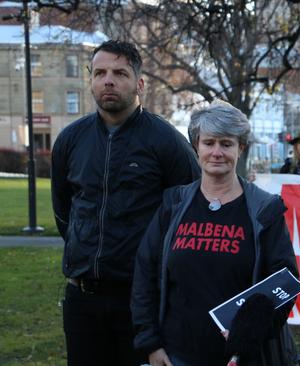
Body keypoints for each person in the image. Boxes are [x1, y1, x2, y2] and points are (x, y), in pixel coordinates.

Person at [50, 40, 200, 366]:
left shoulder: (166, 142)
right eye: (100, 72)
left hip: (139, 300)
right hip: (82, 298)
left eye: (119, 73)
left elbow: (190, 211)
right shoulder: (70, 140)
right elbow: (64, 211)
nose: (108, 80)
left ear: (139, 84)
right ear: (90, 79)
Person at [131, 100, 299, 366]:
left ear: (241, 148)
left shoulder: (264, 211)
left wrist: (252, 333)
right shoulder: (173, 204)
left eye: (227, 143)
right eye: (209, 143)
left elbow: (284, 283)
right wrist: (150, 343)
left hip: (241, 357)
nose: (217, 152)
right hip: (176, 355)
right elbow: (145, 274)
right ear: (196, 146)